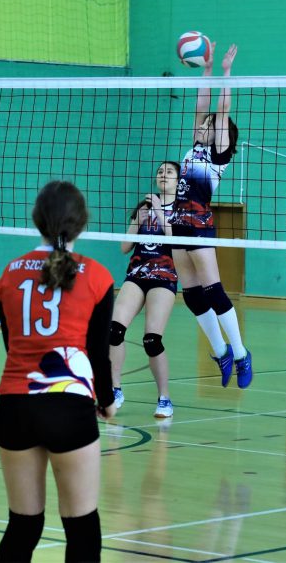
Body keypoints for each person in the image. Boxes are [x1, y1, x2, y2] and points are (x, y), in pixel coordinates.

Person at [0, 180, 116, 562]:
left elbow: (12, 344)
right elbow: (98, 354)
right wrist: (106, 400)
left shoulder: (10, 273)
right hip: (69, 407)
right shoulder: (97, 276)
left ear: (37, 219)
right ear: (82, 222)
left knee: (23, 526)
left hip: (15, 405)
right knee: (82, 530)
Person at [169, 42, 252, 389]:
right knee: (191, 295)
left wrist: (225, 72)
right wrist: (206, 69)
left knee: (213, 291)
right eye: (203, 124)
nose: (202, 125)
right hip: (177, 224)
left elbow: (220, 108)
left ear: (222, 134)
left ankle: (241, 353)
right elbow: (201, 106)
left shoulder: (219, 154)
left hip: (200, 225)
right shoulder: (196, 146)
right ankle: (221, 352)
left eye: (210, 125)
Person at [109, 161, 179, 418]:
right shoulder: (144, 207)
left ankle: (164, 398)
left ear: (178, 181)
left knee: (152, 340)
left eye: (169, 172)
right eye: (160, 172)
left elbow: (177, 243)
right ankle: (115, 389)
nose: (163, 175)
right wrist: (137, 221)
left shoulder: (182, 209)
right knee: (114, 331)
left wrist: (159, 212)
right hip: (137, 275)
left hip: (164, 277)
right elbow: (124, 247)